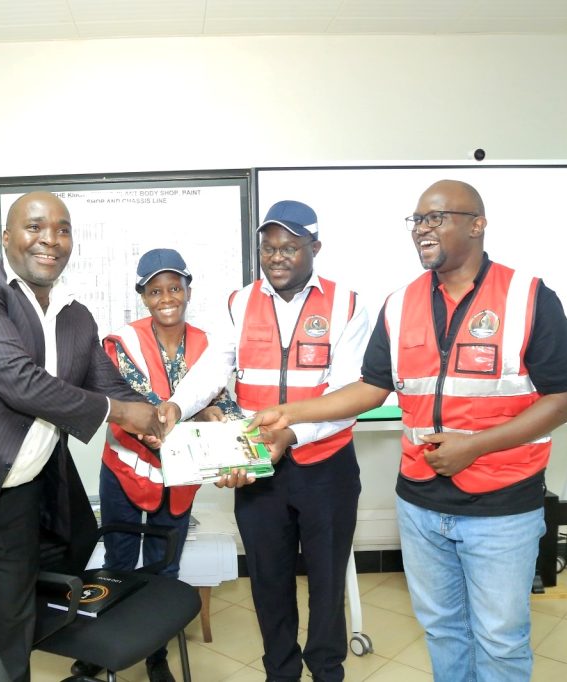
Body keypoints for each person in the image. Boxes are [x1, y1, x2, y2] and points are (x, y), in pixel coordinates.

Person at [249, 180, 567, 682]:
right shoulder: (400, 303)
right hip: (421, 504)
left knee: (499, 636)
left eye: (436, 218)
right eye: (417, 221)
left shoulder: (528, 296)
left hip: (502, 504)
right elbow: (371, 387)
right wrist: (291, 414)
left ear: (477, 224)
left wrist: (476, 446)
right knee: (442, 628)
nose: (423, 230)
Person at [0, 191, 165, 682]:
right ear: (7, 236)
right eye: (35, 227)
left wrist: (172, 417)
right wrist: (122, 412)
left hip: (21, 506)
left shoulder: (76, 316)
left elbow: (107, 385)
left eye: (63, 228)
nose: (50, 240)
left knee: (10, 641)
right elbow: (19, 381)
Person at [159, 201, 371, 682]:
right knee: (269, 581)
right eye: (268, 248)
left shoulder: (348, 304)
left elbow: (347, 394)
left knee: (326, 581)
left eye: (290, 247)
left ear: (314, 248)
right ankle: (280, 672)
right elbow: (216, 365)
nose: (276, 257)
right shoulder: (240, 301)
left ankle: (326, 670)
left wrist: (291, 433)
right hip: (258, 466)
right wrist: (177, 403)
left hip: (327, 468)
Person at [72, 248, 244, 682]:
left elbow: (219, 400)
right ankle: (100, 649)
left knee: (165, 567)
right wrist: (195, 412)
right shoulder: (121, 341)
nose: (166, 297)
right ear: (143, 296)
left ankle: (155, 653)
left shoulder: (210, 344)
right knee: (119, 563)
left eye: (174, 288)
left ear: (187, 290)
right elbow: (126, 403)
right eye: (155, 290)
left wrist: (219, 417)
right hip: (126, 470)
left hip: (180, 477)